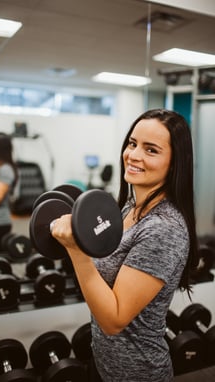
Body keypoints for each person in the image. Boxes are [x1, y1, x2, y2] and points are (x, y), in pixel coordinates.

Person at [50, 108, 199, 382]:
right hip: (104, 363)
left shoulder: (164, 229)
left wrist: (75, 249)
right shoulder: (130, 207)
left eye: (151, 150)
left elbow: (114, 320)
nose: (133, 155)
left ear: (175, 162)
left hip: (138, 374)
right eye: (132, 143)